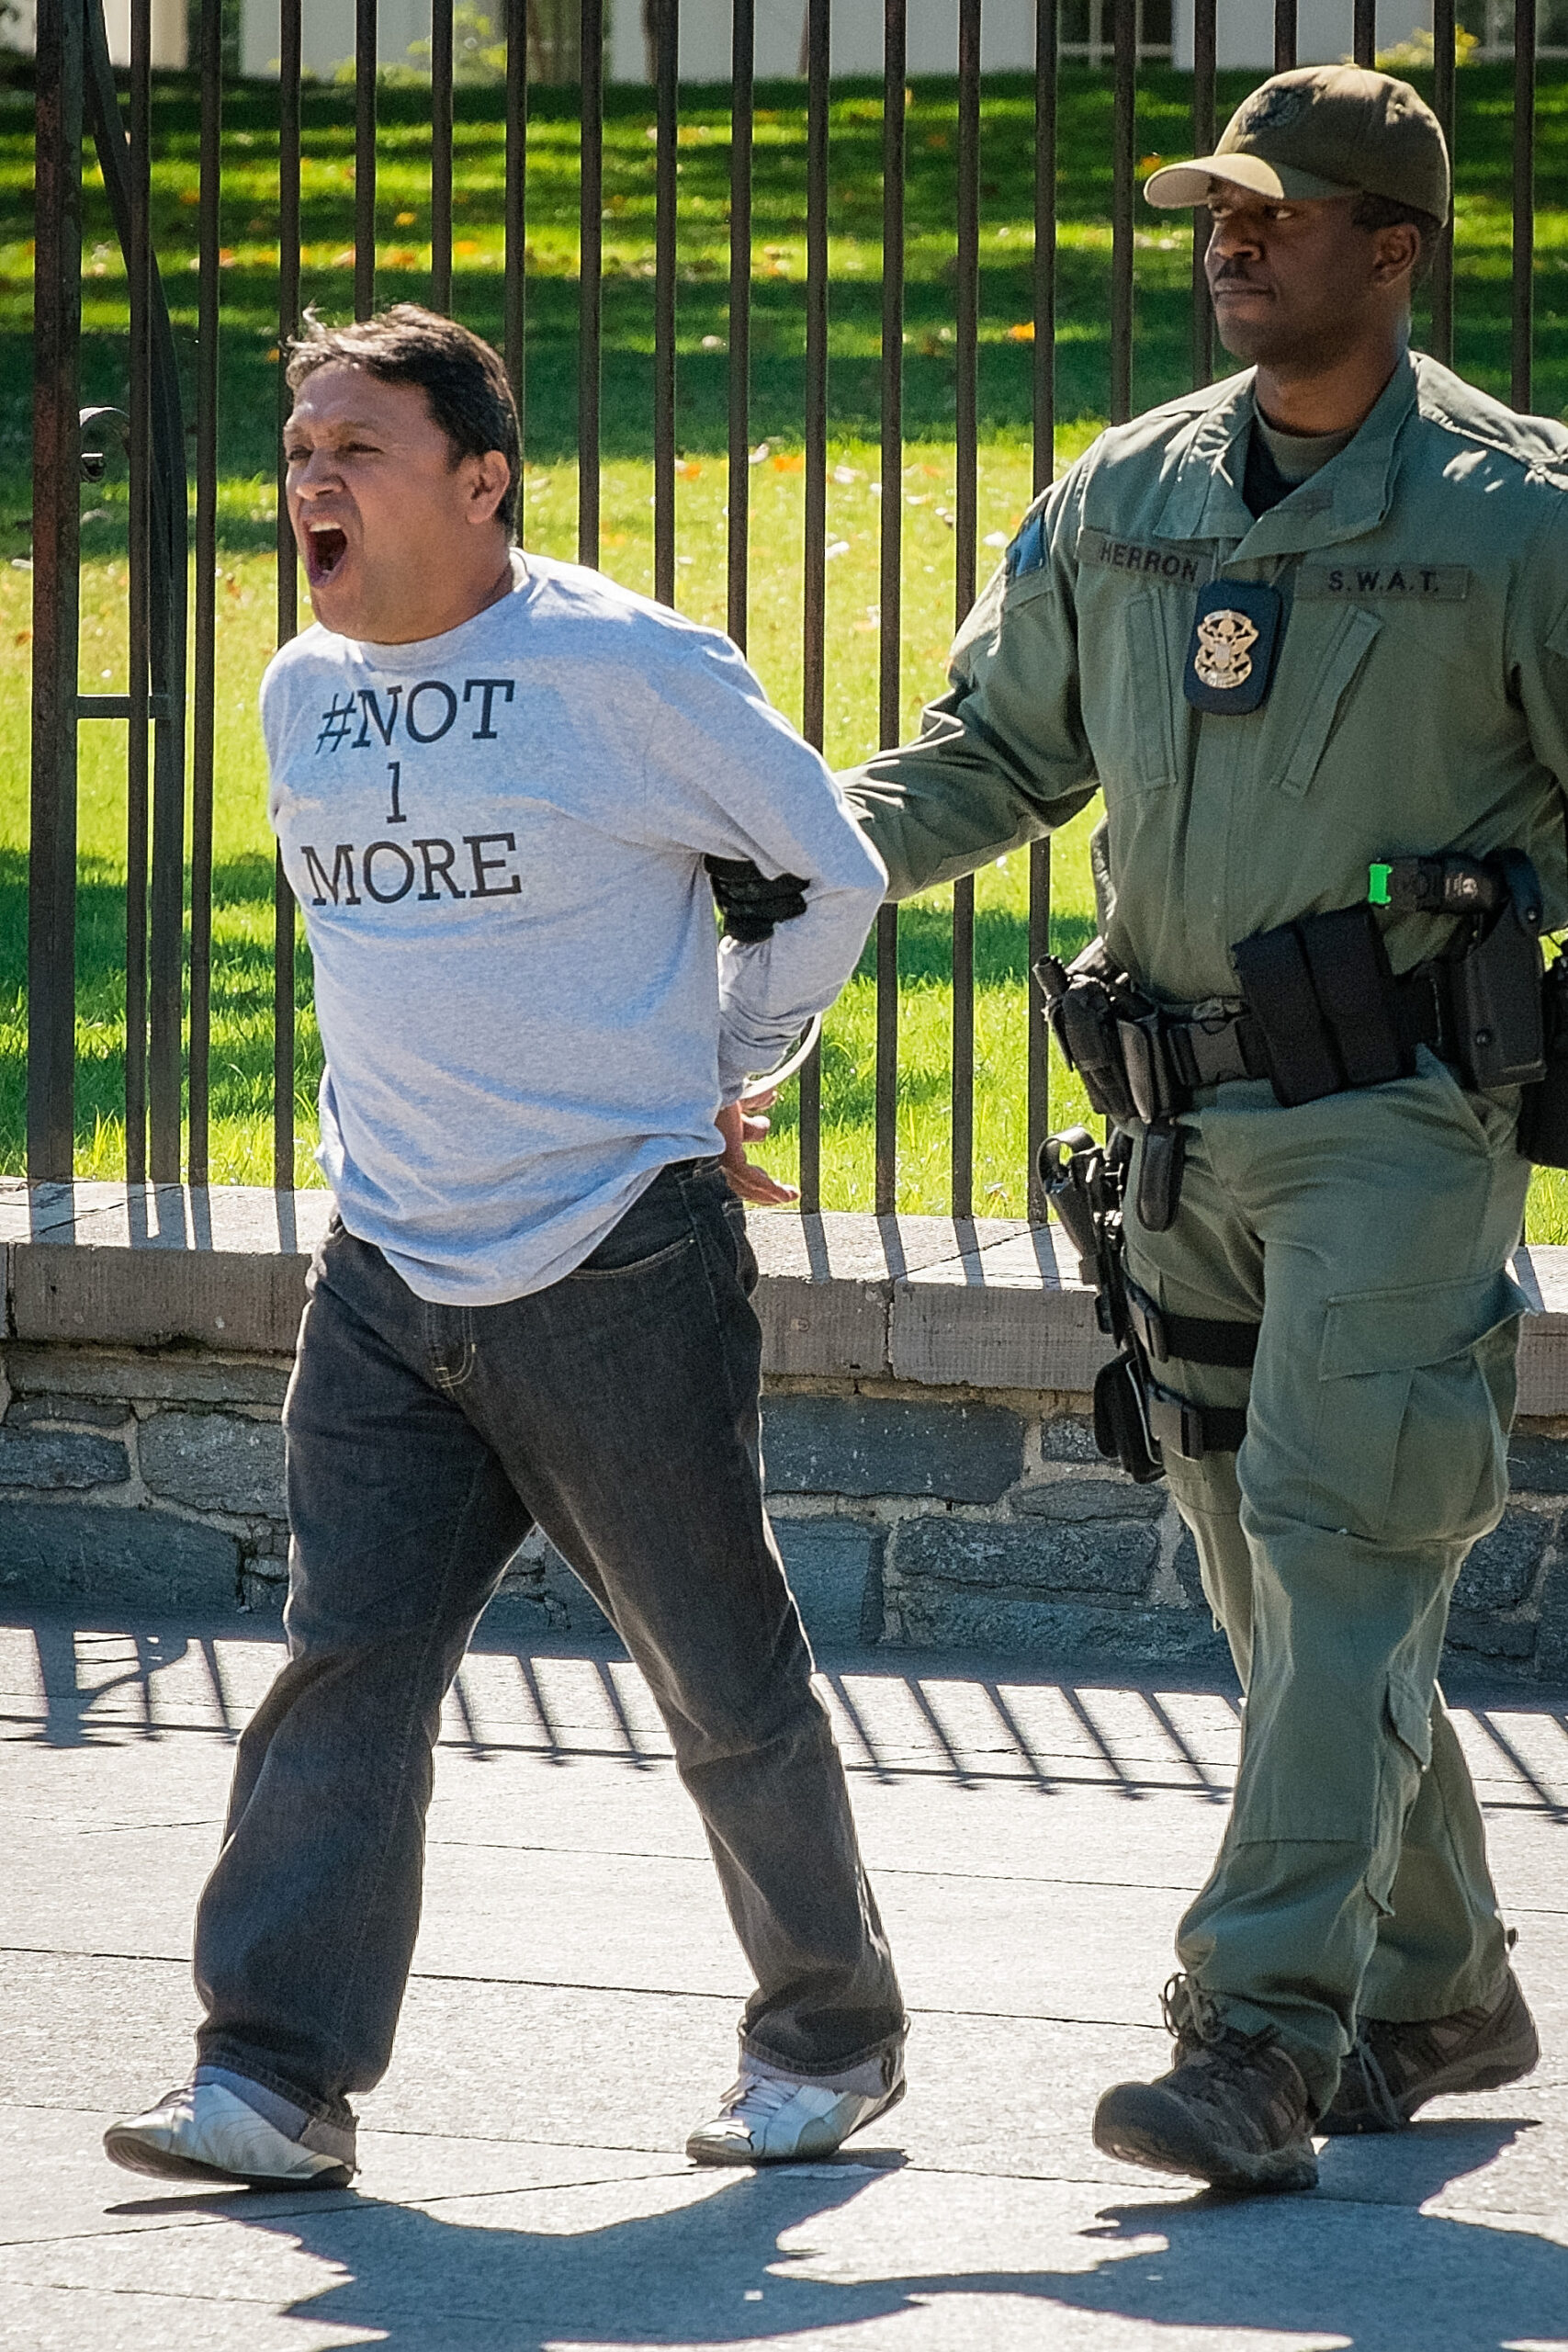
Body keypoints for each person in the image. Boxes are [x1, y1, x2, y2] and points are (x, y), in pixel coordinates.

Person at [835, 67, 1559, 2193]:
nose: (1230, 241)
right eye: (1213, 212)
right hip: (1168, 1125)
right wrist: (782, 857)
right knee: (1265, 1580)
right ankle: (1433, 1978)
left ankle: (1253, 2026)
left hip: (1396, 1126)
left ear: (1391, 248)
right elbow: (992, 748)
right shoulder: (1128, 486)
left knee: (1340, 1556)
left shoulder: (1513, 521)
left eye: (1278, 212)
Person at [104, 304, 905, 2191]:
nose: (311, 478)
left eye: (356, 446)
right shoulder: (300, 683)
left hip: (614, 1251)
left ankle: (828, 2035)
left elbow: (830, 874)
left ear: (479, 478)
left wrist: (709, 1065)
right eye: (299, 446)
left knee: (716, 1664)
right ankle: (275, 2076)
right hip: (383, 1261)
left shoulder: (621, 666)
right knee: (343, 1664)